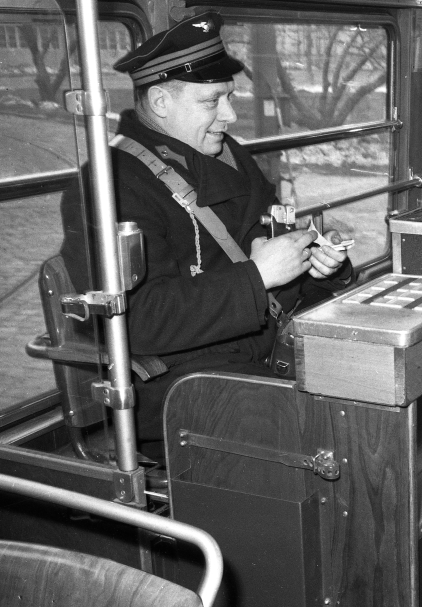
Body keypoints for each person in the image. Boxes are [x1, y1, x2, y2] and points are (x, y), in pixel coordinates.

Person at [59, 12, 352, 456]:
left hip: (265, 348)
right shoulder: (107, 184)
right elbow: (139, 320)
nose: (230, 115)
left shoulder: (229, 156)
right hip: (177, 383)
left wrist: (319, 266)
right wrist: (257, 277)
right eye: (212, 102)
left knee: (371, 382)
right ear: (160, 101)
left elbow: (271, 255)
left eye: (229, 98)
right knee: (332, 435)